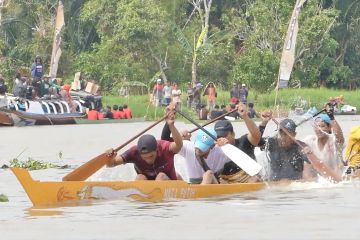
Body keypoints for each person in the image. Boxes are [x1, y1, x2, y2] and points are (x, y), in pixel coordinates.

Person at [106, 106, 183, 180]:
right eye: (144, 157)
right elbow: (111, 164)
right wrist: (110, 158)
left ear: (157, 149)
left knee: (161, 176)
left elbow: (179, 145)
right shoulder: (134, 152)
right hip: (147, 188)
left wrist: (171, 125)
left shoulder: (164, 147)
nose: (148, 160)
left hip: (168, 185)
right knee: (140, 177)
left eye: (151, 156)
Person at [261, 118, 341, 182]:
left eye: (289, 134)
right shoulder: (271, 142)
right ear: (279, 132)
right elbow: (255, 141)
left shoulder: (301, 147)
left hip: (294, 186)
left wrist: (310, 154)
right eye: (282, 133)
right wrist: (263, 124)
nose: (284, 137)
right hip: (274, 184)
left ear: (294, 135)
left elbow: (316, 165)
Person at [214, 104, 267, 183]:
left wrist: (245, 116)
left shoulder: (244, 142)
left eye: (225, 136)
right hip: (226, 182)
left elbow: (256, 136)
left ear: (233, 134)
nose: (222, 139)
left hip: (248, 181)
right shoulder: (214, 149)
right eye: (219, 137)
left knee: (254, 180)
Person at [302, 110, 345, 178]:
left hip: (336, 179)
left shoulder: (333, 140)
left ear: (329, 127)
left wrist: (332, 118)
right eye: (317, 126)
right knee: (306, 164)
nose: (319, 129)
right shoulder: (310, 140)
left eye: (322, 126)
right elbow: (296, 143)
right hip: (320, 181)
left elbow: (340, 138)